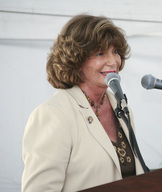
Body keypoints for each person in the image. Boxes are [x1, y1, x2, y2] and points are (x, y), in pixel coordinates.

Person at [22, 14, 146, 192]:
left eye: (115, 51)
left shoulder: (122, 108)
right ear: (76, 60)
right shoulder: (53, 114)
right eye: (100, 53)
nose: (113, 61)